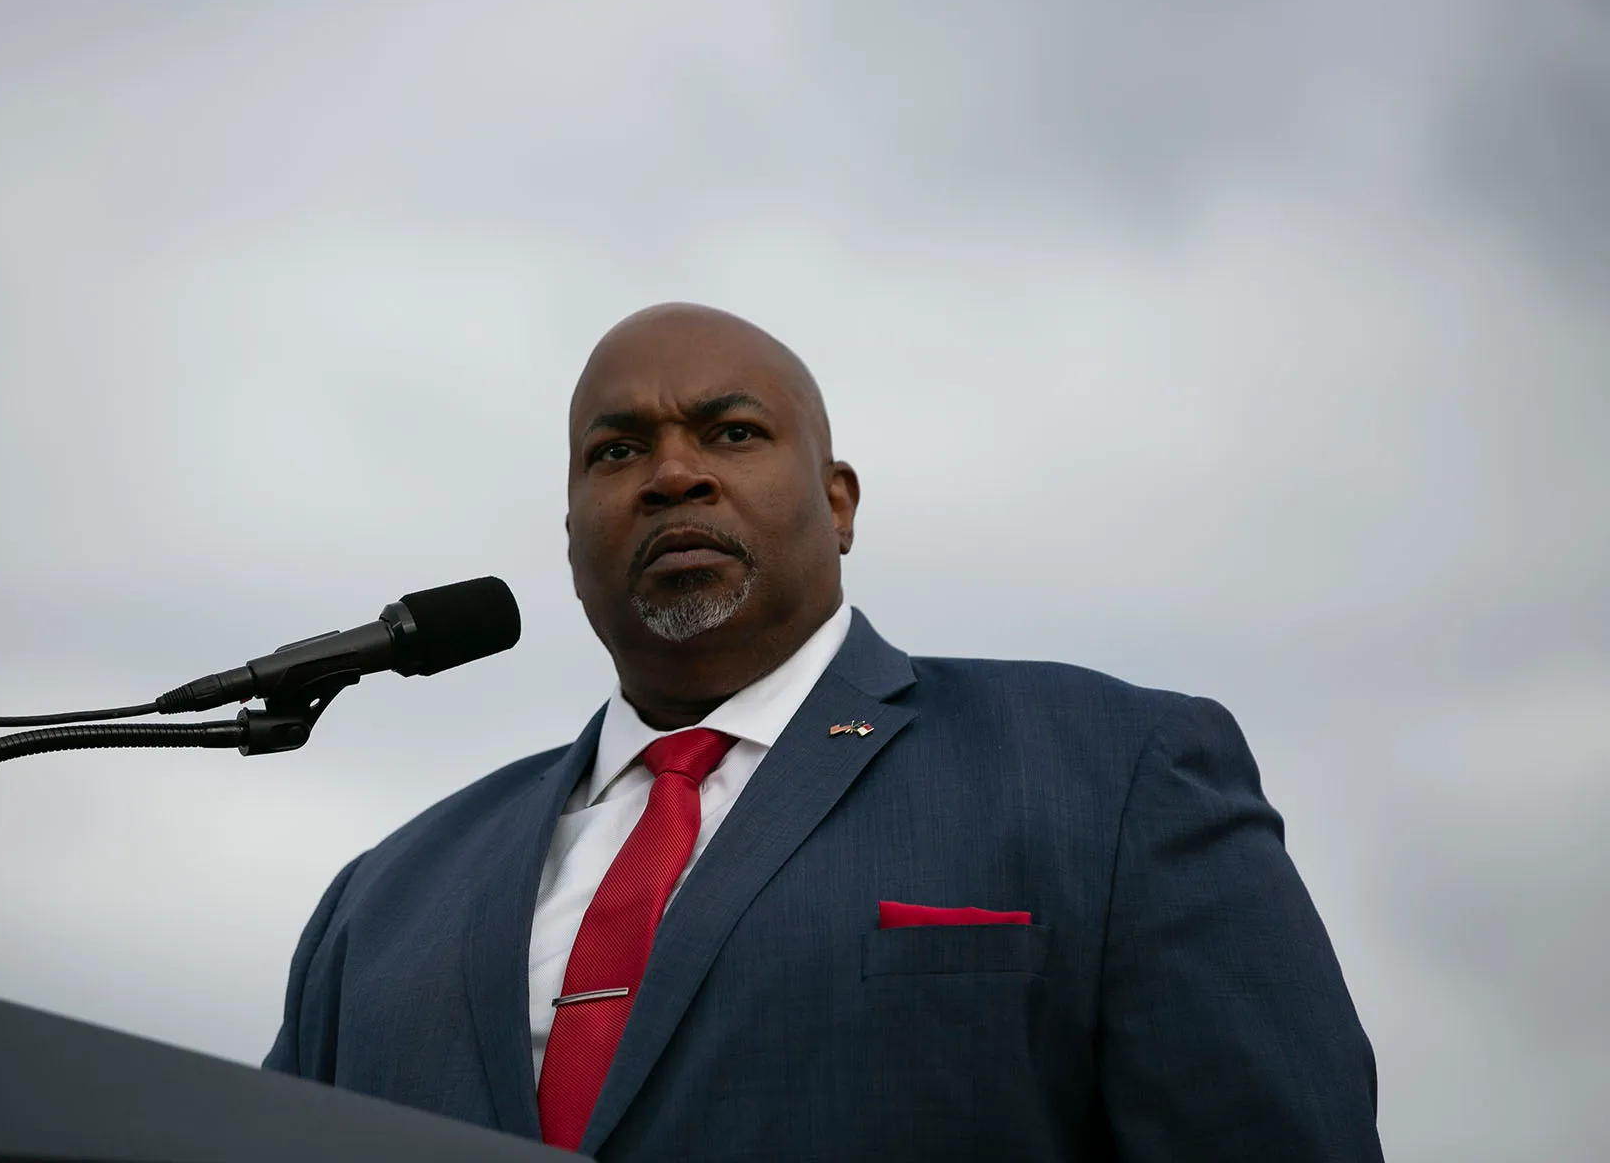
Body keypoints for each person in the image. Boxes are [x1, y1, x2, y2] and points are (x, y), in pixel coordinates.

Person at [262, 303, 1384, 1161]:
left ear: (838, 501)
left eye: (731, 432)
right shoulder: (382, 905)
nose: (673, 473)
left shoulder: (1111, 776)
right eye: (617, 452)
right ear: (570, 539)